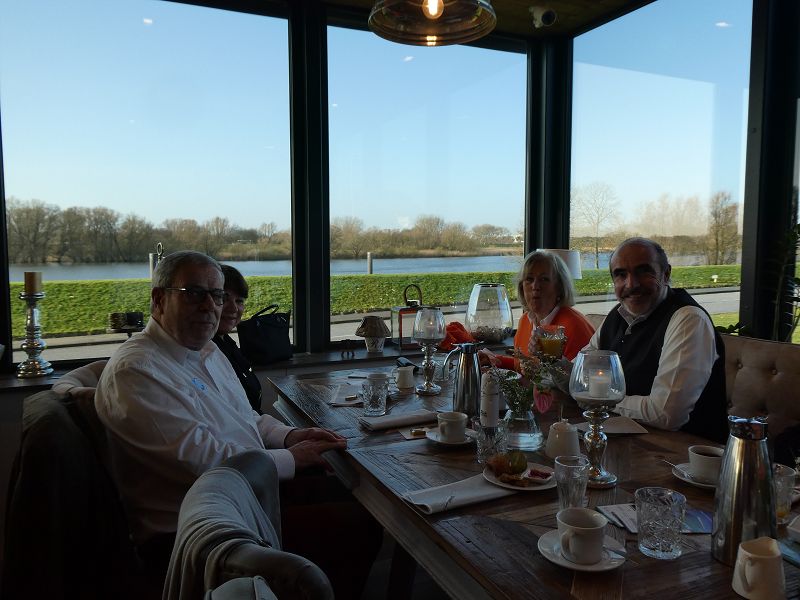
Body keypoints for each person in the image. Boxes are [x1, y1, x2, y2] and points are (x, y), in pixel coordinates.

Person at [93, 251, 373, 590]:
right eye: (194, 293)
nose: (210, 306)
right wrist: (291, 459)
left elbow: (245, 418)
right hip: (199, 534)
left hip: (249, 496)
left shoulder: (206, 349)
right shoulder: (137, 371)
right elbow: (204, 463)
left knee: (355, 491)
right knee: (360, 520)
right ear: (159, 299)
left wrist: (289, 436)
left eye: (217, 295)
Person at [585, 237, 727, 441]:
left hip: (682, 452)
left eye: (643, 271)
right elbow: (580, 372)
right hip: (625, 441)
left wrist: (600, 398)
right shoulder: (618, 314)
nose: (631, 284)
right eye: (621, 274)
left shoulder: (688, 320)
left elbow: (666, 414)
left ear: (666, 274)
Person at [480, 250, 595, 369]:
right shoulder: (525, 320)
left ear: (560, 287)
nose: (535, 286)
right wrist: (493, 360)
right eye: (529, 279)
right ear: (521, 287)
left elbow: (575, 377)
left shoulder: (575, 326)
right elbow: (523, 367)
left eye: (544, 279)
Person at [212, 264, 262, 413]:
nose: (233, 308)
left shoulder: (228, 344)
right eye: (223, 298)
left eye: (239, 301)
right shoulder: (205, 352)